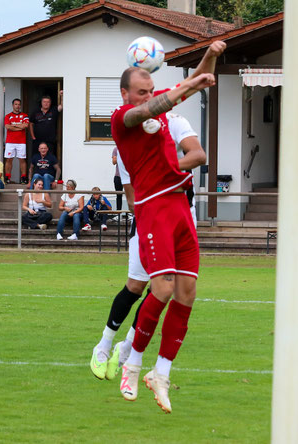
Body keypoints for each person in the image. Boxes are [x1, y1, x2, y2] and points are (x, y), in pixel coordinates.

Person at [110, 40, 225, 413]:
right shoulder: (121, 118)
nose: (147, 96)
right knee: (161, 287)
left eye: (149, 90)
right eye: (140, 92)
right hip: (152, 207)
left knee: (187, 291)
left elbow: (192, 80)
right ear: (126, 93)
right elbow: (163, 101)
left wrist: (211, 55)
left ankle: (161, 372)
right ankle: (132, 364)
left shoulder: (160, 106)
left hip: (179, 204)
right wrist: (188, 88)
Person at [90, 112, 205, 387]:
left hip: (183, 215)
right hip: (149, 218)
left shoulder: (175, 122)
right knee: (136, 286)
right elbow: (131, 199)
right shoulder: (130, 148)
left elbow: (198, 155)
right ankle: (103, 345)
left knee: (165, 289)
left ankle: (128, 346)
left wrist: (164, 166)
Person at [4, 98, 29, 185]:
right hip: (10, 141)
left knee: (22, 159)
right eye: (16, 104)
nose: (17, 106)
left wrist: (13, 125)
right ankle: (7, 177)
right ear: (12, 105)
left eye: (19, 104)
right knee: (9, 159)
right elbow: (8, 127)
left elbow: (25, 125)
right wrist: (19, 126)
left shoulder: (25, 115)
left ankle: (23, 178)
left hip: (21, 142)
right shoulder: (8, 116)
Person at [111, 147, 123, 212]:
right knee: (118, 195)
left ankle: (132, 214)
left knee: (131, 195)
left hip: (129, 176)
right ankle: (118, 214)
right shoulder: (116, 149)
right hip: (118, 176)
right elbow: (114, 162)